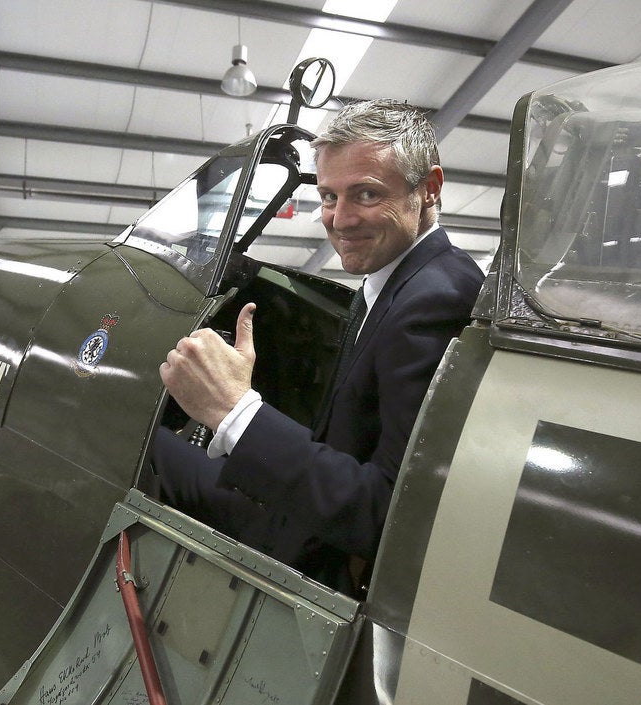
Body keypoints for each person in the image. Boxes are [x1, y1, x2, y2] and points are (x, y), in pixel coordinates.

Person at [153, 99, 485, 594]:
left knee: (145, 449)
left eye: (366, 194)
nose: (340, 220)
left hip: (314, 547)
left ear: (430, 189)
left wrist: (234, 412)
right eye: (329, 197)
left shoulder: (435, 299)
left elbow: (387, 512)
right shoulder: (395, 280)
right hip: (307, 516)